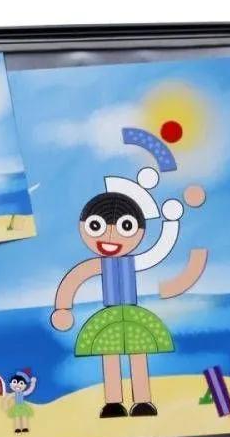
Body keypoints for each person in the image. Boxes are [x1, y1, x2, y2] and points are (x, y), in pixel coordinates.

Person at [51, 169, 197, 418]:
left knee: (138, 355)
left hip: (132, 314)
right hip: (108, 317)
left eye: (125, 227)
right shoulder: (99, 264)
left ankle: (142, 401)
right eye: (96, 227)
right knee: (110, 356)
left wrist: (171, 223)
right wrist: (62, 307)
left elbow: (159, 251)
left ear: (140, 230)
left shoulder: (133, 261)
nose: (110, 236)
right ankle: (113, 402)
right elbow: (75, 278)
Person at [3, 369, 37, 433]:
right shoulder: (13, 394)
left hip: (23, 407)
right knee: (17, 417)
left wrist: (33, 383)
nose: (17, 385)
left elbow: (30, 390)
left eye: (21, 383)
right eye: (14, 382)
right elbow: (7, 399)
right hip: (16, 407)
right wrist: (5, 405)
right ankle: (17, 428)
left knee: (24, 416)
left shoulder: (23, 393)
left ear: (25, 385)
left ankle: (25, 428)